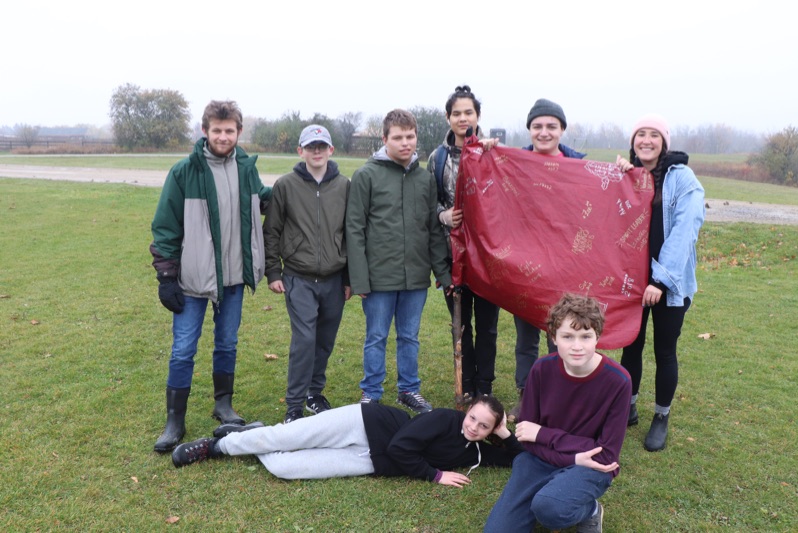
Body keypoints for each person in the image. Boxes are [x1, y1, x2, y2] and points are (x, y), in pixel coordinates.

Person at [149, 100, 272, 453]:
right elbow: (166, 226)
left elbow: (262, 200)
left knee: (227, 343)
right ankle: (175, 420)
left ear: (239, 132)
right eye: (216, 130)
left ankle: (224, 405)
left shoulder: (246, 168)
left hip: (232, 278)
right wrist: (166, 277)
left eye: (229, 130)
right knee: (183, 348)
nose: (223, 136)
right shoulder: (184, 172)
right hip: (193, 280)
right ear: (204, 131)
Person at [484, 293, 632, 533]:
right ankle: (547, 493)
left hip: (590, 466)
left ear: (598, 337)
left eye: (586, 336)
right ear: (553, 337)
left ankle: (590, 511)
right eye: (567, 336)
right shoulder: (541, 369)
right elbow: (525, 438)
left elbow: (605, 456)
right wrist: (573, 455)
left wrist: (543, 434)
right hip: (540, 460)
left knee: (550, 509)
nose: (577, 346)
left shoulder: (619, 381)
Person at [346, 109, 452, 413]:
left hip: (415, 277)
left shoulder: (424, 178)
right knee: (376, 337)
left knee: (410, 337)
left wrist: (442, 272)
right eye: (398, 137)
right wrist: (359, 278)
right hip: (378, 277)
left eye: (410, 136)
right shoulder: (367, 175)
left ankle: (409, 388)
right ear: (385, 139)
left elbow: (432, 228)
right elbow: (354, 228)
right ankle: (371, 392)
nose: (405, 143)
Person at [171, 395, 523, 486]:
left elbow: (513, 459)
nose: (473, 427)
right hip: (364, 424)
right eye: (472, 418)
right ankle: (216, 447)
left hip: (371, 461)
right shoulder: (445, 418)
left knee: (286, 467)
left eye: (484, 426)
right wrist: (434, 475)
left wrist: (505, 433)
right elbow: (402, 447)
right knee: (287, 436)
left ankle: (253, 434)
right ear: (466, 412)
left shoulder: (475, 452)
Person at [616, 114, 705, 452]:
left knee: (664, 350)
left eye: (654, 135)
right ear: (633, 141)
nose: (647, 141)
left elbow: (684, 232)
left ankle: (661, 417)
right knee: (631, 344)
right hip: (634, 282)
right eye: (641, 134)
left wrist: (661, 279)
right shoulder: (632, 175)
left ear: (664, 142)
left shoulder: (683, 179)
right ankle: (629, 406)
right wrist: (622, 178)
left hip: (670, 284)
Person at [264, 124, 351, 425]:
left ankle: (315, 393)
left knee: (325, 340)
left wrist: (350, 278)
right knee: (304, 340)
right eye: (310, 146)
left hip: (333, 279)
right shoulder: (286, 185)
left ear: (331, 150)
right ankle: (294, 405)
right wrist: (273, 270)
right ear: (300, 151)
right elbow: (272, 230)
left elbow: (351, 234)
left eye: (322, 146)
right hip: (298, 278)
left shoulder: (344, 185)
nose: (317, 151)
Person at [509, 98, 587, 421]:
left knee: (562, 337)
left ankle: (561, 400)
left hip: (565, 268)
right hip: (526, 268)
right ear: (529, 130)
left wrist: (625, 171)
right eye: (537, 126)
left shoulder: (579, 168)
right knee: (526, 339)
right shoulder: (516, 162)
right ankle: (527, 398)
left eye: (551, 126)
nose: (544, 132)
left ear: (562, 130)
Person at [428, 85, 501, 399]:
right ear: (447, 117)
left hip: (488, 258)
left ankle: (484, 386)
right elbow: (428, 201)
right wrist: (444, 216)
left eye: (468, 112)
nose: (462, 118)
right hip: (452, 257)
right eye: (456, 113)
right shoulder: (438, 157)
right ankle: (466, 385)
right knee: (461, 325)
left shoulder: (493, 152)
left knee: (487, 327)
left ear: (478, 115)